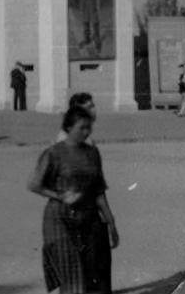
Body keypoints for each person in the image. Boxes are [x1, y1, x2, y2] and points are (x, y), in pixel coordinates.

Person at [28, 107, 119, 294]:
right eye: (82, 128)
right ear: (69, 127)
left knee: (95, 270)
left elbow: (99, 190)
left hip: (89, 216)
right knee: (72, 274)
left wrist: (111, 222)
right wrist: (60, 195)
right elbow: (34, 184)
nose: (87, 132)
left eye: (89, 128)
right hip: (59, 219)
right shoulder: (54, 153)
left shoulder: (93, 153)